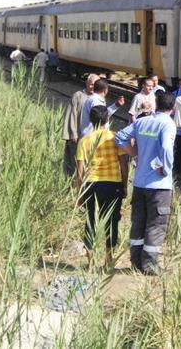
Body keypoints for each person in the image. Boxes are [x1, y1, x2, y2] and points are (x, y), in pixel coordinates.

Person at [114, 91, 177, 275]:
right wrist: (165, 169)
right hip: (159, 186)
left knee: (139, 222)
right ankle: (150, 266)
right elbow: (166, 147)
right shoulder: (168, 124)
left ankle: (135, 262)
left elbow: (119, 137)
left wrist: (134, 153)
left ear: (156, 104)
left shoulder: (142, 121)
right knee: (156, 224)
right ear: (172, 108)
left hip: (140, 182)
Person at [75, 105, 129, 267]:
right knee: (111, 220)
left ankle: (90, 261)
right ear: (108, 119)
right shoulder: (115, 137)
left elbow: (80, 171)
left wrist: (80, 194)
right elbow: (124, 165)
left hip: (90, 183)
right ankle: (108, 259)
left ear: (91, 120)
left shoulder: (84, 140)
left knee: (90, 220)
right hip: (112, 183)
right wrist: (124, 185)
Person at [62, 74, 99, 176]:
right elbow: (71, 114)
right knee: (75, 163)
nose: (93, 87)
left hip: (91, 139)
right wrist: (73, 133)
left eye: (96, 85)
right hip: (77, 137)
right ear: (86, 83)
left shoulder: (97, 98)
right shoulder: (78, 96)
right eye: (91, 84)